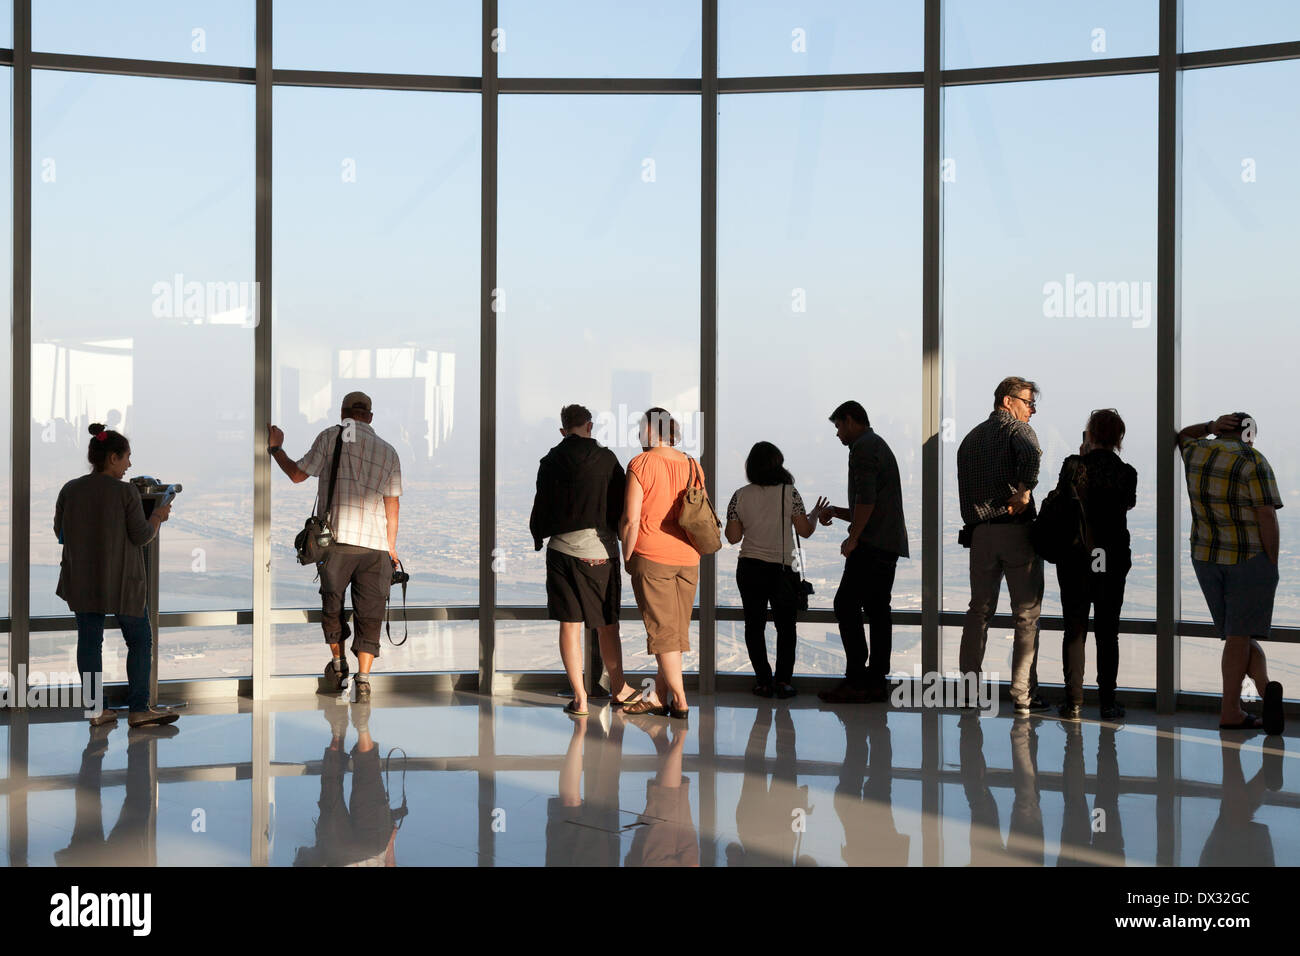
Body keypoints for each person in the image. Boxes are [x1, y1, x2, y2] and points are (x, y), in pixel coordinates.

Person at [269, 391, 402, 701]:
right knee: (370, 614)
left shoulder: (331, 437)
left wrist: (276, 449)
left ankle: (339, 663)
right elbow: (392, 505)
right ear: (370, 416)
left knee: (332, 606)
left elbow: (298, 474)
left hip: (338, 543)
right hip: (376, 548)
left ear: (343, 413)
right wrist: (391, 546)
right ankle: (364, 680)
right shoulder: (389, 452)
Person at [54, 423, 176, 728]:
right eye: (126, 458)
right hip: (123, 580)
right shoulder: (125, 492)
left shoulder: (70, 489)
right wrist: (158, 516)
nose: (129, 465)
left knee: (89, 642)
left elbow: (60, 533)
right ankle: (138, 709)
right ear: (112, 458)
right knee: (139, 639)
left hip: (83, 579)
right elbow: (142, 535)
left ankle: (96, 710)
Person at [529, 403, 639, 716]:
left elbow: (542, 506)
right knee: (607, 625)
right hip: (598, 554)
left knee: (569, 625)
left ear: (563, 430)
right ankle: (618, 688)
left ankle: (579, 697)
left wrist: (540, 534)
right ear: (589, 426)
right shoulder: (606, 460)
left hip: (560, 551)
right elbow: (622, 507)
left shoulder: (550, 460)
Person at [1178, 412, 1285, 733]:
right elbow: (1266, 515)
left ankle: (1264, 688)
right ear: (1249, 433)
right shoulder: (1253, 460)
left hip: (1205, 557)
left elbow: (1183, 434)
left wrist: (1210, 427)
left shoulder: (1197, 451)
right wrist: (1272, 563)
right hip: (1247, 558)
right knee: (1239, 635)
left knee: (1236, 634)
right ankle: (1231, 711)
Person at [956, 377, 1047, 716]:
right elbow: (1032, 454)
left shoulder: (970, 439)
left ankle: (969, 690)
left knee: (978, 611)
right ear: (1008, 402)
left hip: (980, 534)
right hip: (1014, 530)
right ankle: (1023, 694)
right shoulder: (1017, 429)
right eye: (1028, 402)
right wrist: (1025, 490)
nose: (1031, 410)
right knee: (1025, 614)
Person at [816, 401, 910, 704]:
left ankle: (856, 678)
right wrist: (840, 512)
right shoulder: (876, 445)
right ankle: (875, 680)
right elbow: (869, 506)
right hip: (887, 542)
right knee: (878, 610)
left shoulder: (863, 448)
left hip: (872, 544)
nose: (838, 434)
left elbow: (867, 502)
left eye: (839, 427)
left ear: (850, 420)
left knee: (845, 604)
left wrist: (852, 538)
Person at [724, 441, 828, 699]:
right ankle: (783, 681)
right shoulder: (789, 493)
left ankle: (762, 681)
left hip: (750, 567)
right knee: (786, 627)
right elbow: (805, 530)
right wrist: (814, 513)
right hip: (784, 569)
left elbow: (733, 538)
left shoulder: (739, 495)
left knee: (754, 626)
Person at [1055, 409, 1138, 721]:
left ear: (1089, 434)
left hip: (1076, 557)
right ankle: (1107, 702)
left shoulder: (1073, 466)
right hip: (1111, 557)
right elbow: (1126, 503)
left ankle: (1073, 701)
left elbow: (1063, 497)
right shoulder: (1127, 472)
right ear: (1118, 439)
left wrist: (1080, 459)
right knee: (1108, 631)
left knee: (1074, 629)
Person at [621, 407, 700, 720]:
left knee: (663, 634)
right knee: (675, 634)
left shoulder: (641, 463)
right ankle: (660, 696)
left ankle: (679, 700)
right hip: (689, 557)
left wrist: (628, 556)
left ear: (651, 431)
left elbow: (630, 518)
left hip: (652, 556)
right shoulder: (692, 464)